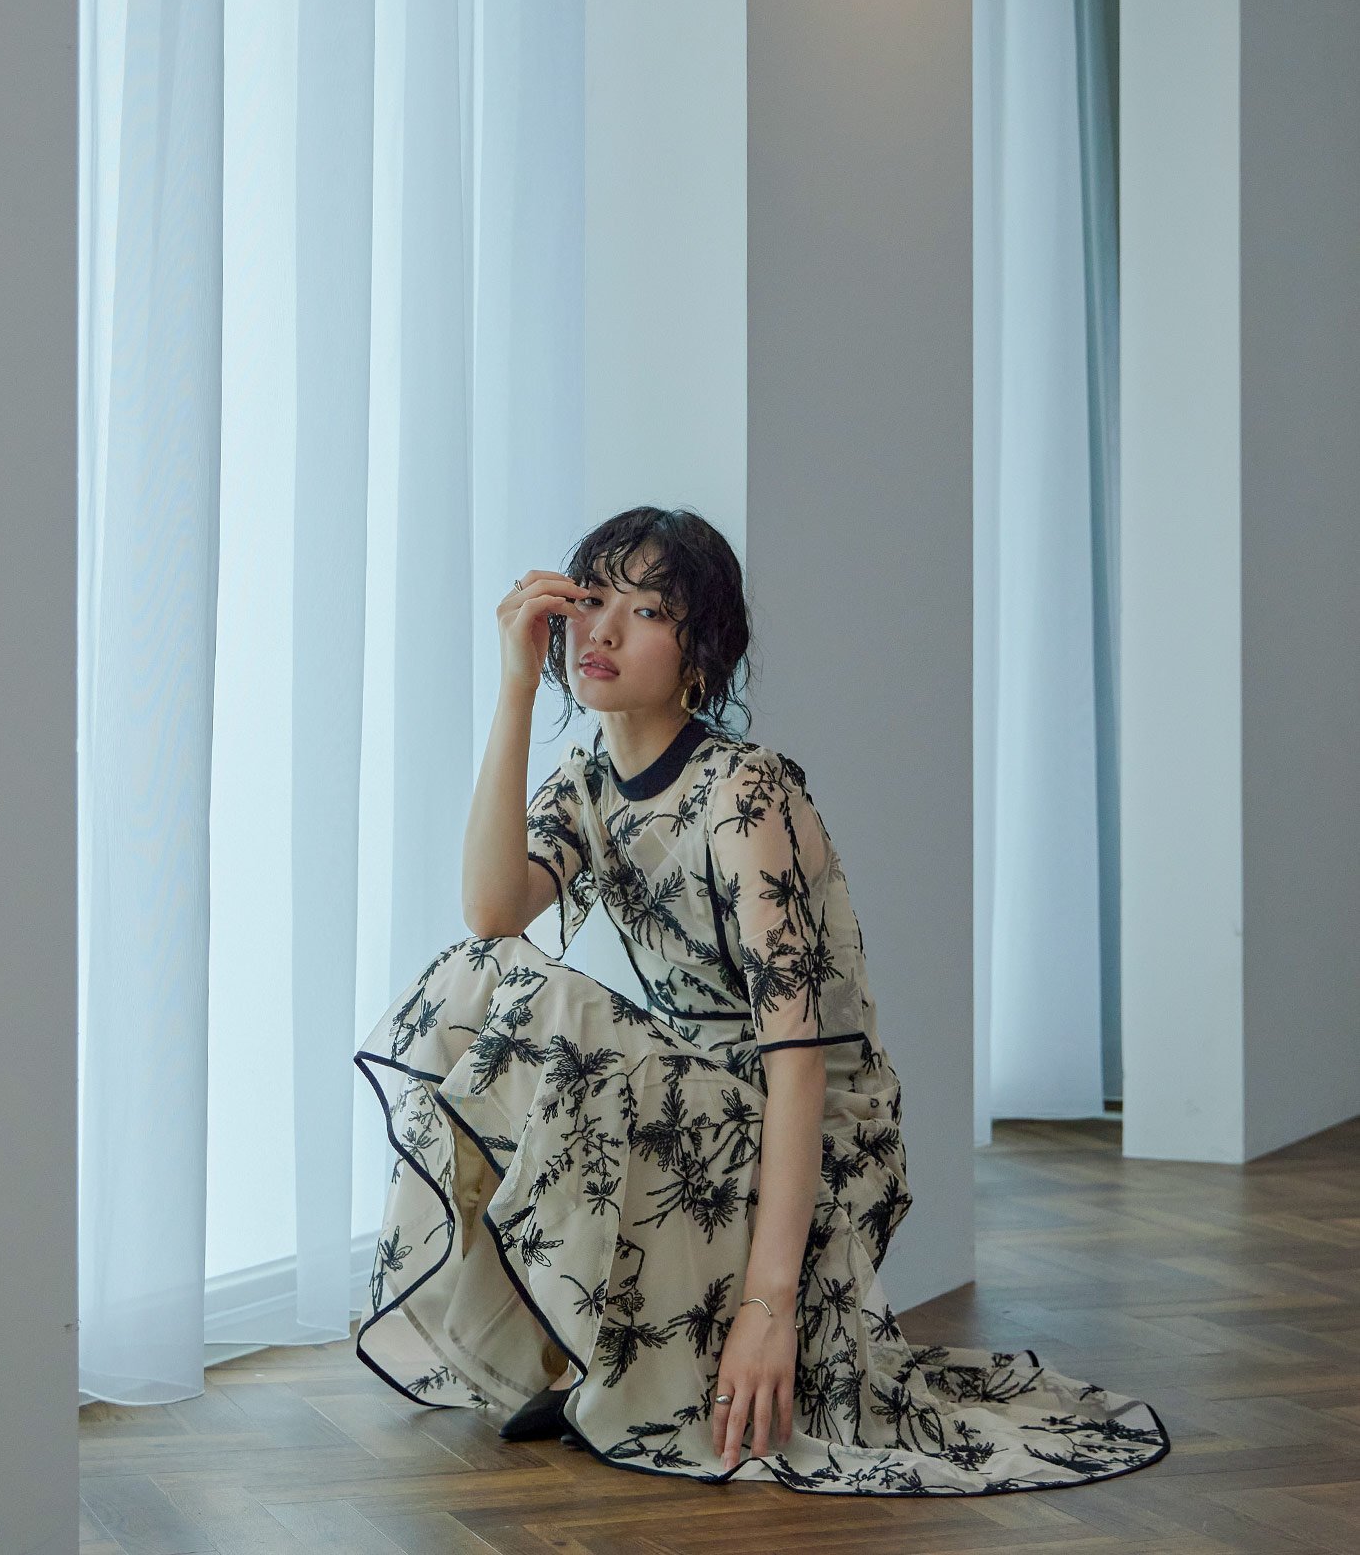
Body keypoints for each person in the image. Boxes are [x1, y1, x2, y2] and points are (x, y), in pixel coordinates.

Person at [353, 506, 1170, 1493]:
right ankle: (567, 1352)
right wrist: (516, 685)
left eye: (648, 612)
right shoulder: (587, 785)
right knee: (481, 981)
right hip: (695, 1100)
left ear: (699, 656)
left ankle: (650, 1347)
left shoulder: (742, 792)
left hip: (817, 1134)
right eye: (594, 599)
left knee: (560, 1018)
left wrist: (768, 1308)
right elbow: (491, 915)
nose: (603, 630)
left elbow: (799, 1062)